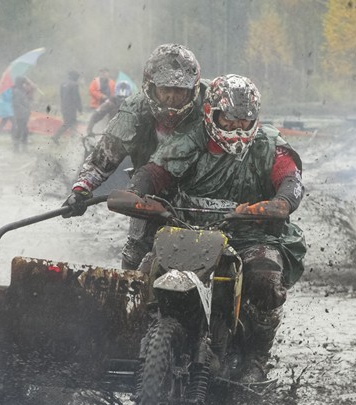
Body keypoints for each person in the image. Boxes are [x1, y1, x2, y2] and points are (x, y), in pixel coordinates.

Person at [123, 74, 306, 383]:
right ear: (211, 114)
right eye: (229, 119)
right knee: (144, 272)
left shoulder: (270, 145)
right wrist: (138, 193)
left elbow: (290, 179)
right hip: (188, 229)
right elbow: (155, 171)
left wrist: (280, 203)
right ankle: (141, 340)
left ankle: (257, 357)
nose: (236, 127)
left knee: (265, 279)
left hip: (252, 234)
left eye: (244, 121)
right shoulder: (189, 140)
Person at [62, 43, 207, 270]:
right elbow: (105, 157)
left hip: (202, 193)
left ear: (193, 89)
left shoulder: (211, 104)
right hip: (147, 192)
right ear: (151, 87)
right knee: (135, 255)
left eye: (179, 91)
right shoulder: (135, 110)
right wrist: (81, 189)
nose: (171, 97)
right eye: (165, 89)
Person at [52, 70, 83, 144]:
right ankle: (57, 136)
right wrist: (80, 108)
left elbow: (61, 96)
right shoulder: (74, 84)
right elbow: (76, 98)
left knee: (70, 122)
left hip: (64, 106)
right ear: (75, 76)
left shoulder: (63, 83)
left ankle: (73, 138)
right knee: (70, 123)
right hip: (71, 108)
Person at [11, 76, 33, 153]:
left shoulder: (21, 90)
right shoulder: (16, 91)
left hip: (23, 115)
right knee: (22, 131)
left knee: (23, 131)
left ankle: (21, 149)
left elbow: (27, 99)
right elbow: (16, 104)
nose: (24, 85)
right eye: (23, 83)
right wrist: (25, 110)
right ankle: (17, 149)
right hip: (20, 115)